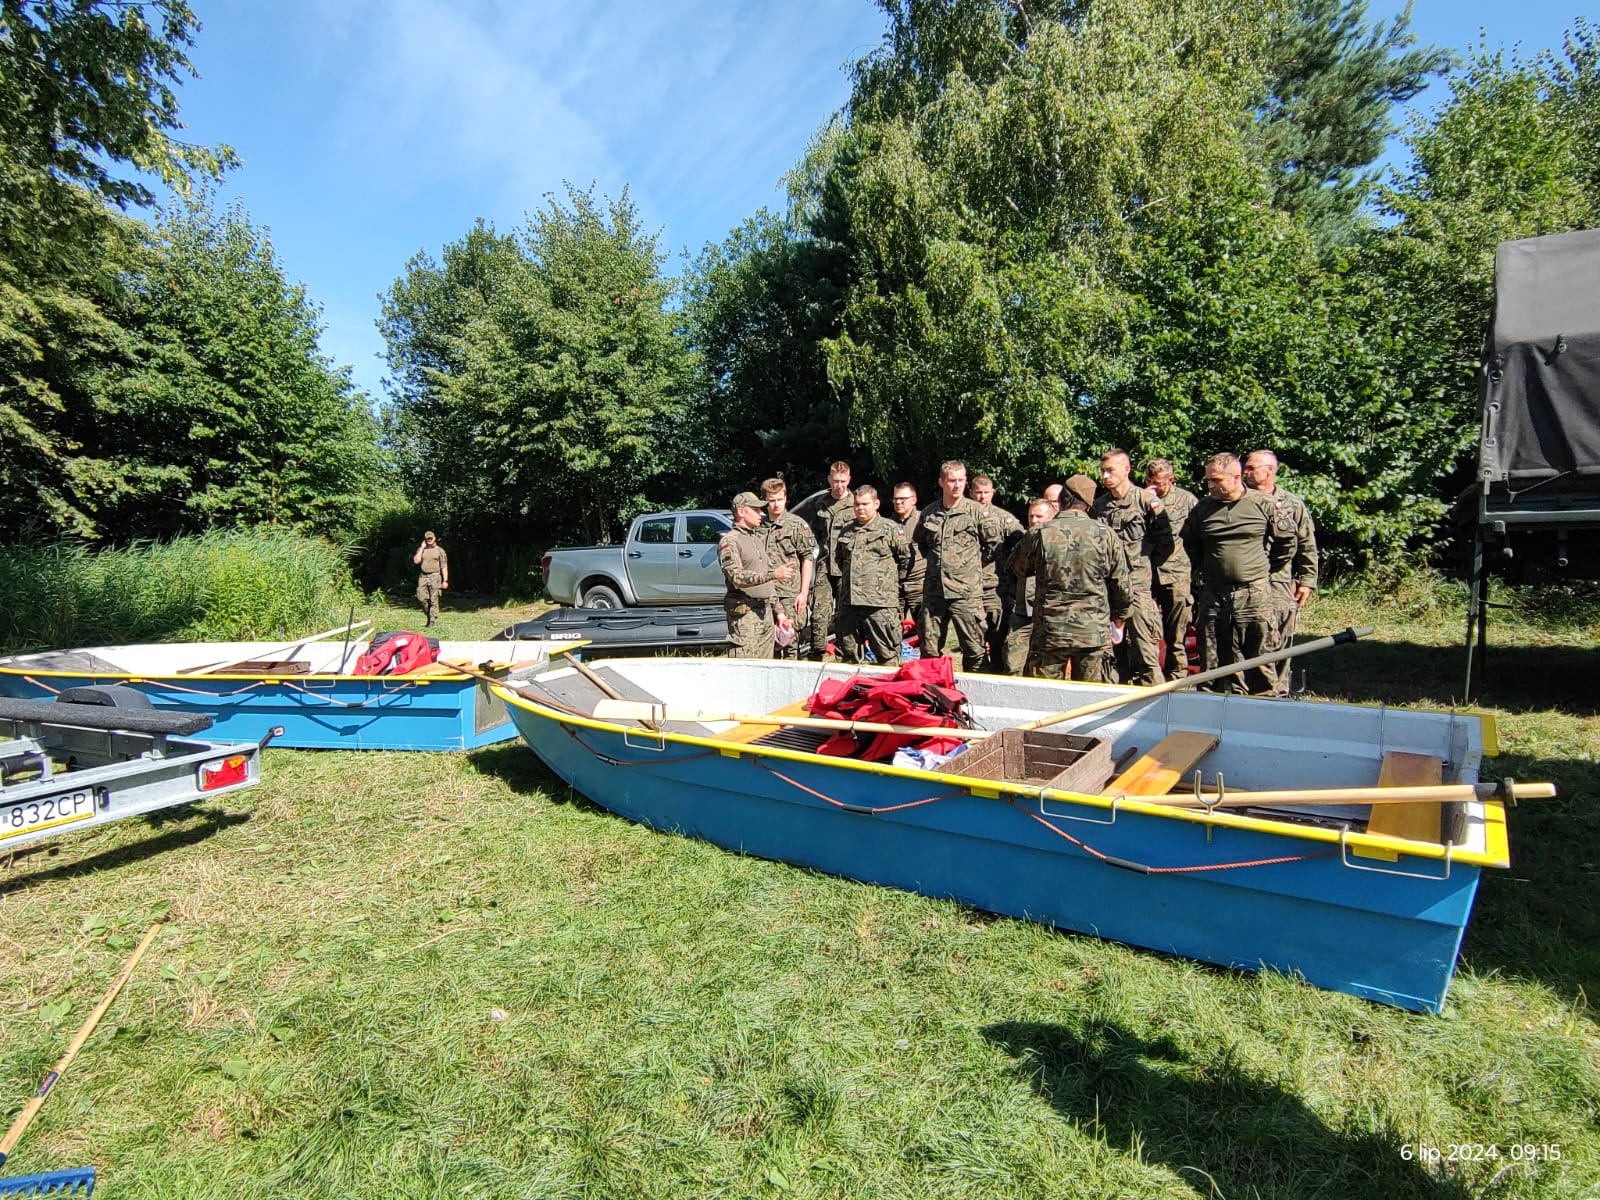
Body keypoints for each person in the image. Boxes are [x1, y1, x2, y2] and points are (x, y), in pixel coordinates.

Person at [1181, 453, 1295, 695]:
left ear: (1236, 477)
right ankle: (1212, 718)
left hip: (1254, 595)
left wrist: (1263, 570)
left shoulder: (1263, 505)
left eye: (1217, 480)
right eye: (1208, 480)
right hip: (1214, 595)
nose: (1211, 485)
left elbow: (1286, 543)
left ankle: (1261, 715)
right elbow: (1191, 545)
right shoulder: (1202, 509)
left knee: (1259, 661)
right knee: (1212, 665)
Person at [1010, 475, 1134, 681]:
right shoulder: (1106, 535)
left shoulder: (1040, 533)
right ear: (1087, 504)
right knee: (1091, 703)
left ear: (1063, 499)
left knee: (1045, 699)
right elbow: (1122, 586)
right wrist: (1119, 619)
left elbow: (1018, 568)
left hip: (1050, 631)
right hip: (1092, 633)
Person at [914, 461, 1002, 673]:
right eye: (952, 480)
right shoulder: (929, 513)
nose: (957, 485)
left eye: (961, 480)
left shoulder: (977, 511)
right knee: (929, 650)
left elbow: (993, 545)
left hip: (966, 593)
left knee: (974, 650)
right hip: (935, 593)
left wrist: (971, 568)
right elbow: (921, 543)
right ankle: (932, 695)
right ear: (941, 482)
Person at [1090, 449, 1168, 685]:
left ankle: (1155, 704)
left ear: (1126, 469)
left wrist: (1146, 574)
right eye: (1102, 471)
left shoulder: (1145, 502)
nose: (1104, 476)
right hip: (1107, 590)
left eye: (1110, 470)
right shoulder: (1100, 506)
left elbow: (1165, 543)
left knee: (1146, 652)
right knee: (1109, 656)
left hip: (1137, 588)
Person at [1243, 449, 1319, 685]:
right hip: (1244, 579)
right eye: (1245, 467)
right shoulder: (1239, 500)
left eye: (1251, 468)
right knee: (1246, 635)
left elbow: (1306, 543)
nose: (1246, 472)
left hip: (1279, 580)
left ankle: (1279, 687)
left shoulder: (1292, 504)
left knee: (1280, 634)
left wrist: (1307, 580)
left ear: (1270, 470)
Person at [835, 485, 912, 664]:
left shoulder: (890, 529)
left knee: (886, 656)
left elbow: (906, 559)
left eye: (865, 504)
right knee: (848, 656)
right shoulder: (846, 531)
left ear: (876, 504)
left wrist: (887, 584)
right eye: (857, 504)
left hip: (880, 604)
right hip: (850, 603)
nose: (860, 508)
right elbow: (840, 560)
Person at [718, 491, 795, 658]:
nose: (761, 514)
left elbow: (767, 582)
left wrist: (779, 613)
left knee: (765, 667)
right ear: (741, 511)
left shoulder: (756, 539)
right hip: (746, 616)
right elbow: (737, 577)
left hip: (765, 613)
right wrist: (773, 574)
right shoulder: (730, 541)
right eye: (756, 509)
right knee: (744, 669)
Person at [1143, 458, 1199, 681]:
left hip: (1176, 575)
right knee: (1147, 632)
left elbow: (1198, 537)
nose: (1153, 487)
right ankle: (1148, 677)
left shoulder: (1187, 501)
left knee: (1176, 635)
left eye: (1158, 483)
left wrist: (1189, 563)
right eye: (1149, 481)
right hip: (1146, 574)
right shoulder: (1140, 498)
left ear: (1171, 480)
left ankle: (1177, 678)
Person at [968, 474, 1025, 673]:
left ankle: (997, 670)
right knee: (973, 635)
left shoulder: (1003, 518)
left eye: (986, 493)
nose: (982, 497)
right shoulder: (963, 515)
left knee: (997, 632)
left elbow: (1021, 541)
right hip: (967, 586)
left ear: (993, 493)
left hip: (994, 586)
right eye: (978, 493)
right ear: (971, 493)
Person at [761, 477, 817, 661]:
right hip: (765, 592)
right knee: (769, 645)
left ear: (785, 498)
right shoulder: (759, 526)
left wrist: (803, 592)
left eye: (780, 499)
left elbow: (807, 558)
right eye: (771, 500)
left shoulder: (796, 525)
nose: (776, 504)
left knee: (790, 643)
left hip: (789, 593)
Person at [1000, 498, 1055, 674]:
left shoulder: (1060, 545)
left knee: (1043, 666)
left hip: (1049, 612)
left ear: (1052, 517)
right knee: (1012, 659)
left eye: (1040, 516)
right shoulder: (1024, 541)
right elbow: (1010, 570)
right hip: (1022, 612)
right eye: (1031, 516)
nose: (1034, 520)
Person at [806, 461, 855, 660]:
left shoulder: (856, 504)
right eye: (835, 481)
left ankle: (845, 654)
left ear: (849, 480)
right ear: (829, 480)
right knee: (819, 611)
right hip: (825, 565)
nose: (839, 485)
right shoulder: (820, 505)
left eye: (843, 481)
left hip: (846, 566)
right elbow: (816, 535)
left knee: (845, 613)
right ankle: (817, 651)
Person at [890, 483, 926, 634]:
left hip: (919, 583)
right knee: (890, 630)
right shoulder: (888, 524)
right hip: (894, 585)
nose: (898, 502)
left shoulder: (924, 521)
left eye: (903, 499)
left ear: (914, 500)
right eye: (895, 499)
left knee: (926, 630)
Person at [412, 530, 449, 627]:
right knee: (420, 597)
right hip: (423, 576)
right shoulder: (422, 549)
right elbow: (416, 561)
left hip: (435, 576)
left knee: (433, 599)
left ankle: (432, 621)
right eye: (427, 538)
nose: (429, 540)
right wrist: (422, 548)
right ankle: (429, 615)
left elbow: (444, 566)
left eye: (431, 538)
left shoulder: (439, 550)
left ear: (434, 538)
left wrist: (445, 580)